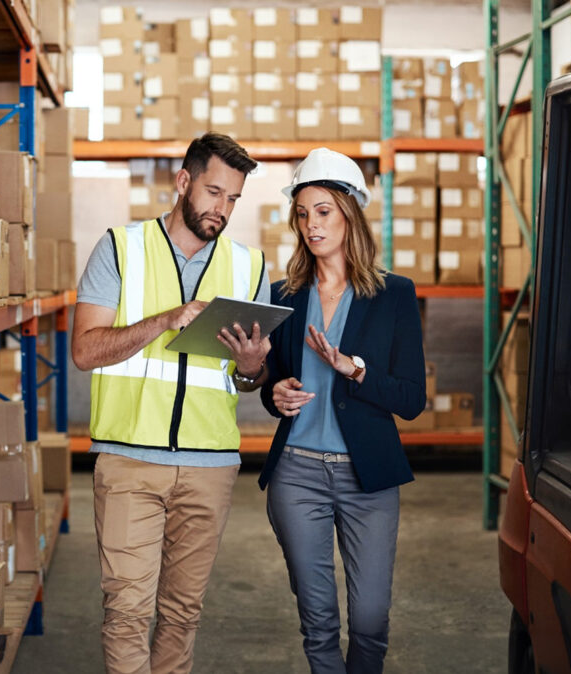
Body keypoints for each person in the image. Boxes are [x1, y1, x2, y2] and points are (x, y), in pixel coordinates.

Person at [71, 133, 272, 674]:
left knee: (182, 614)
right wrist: (162, 320)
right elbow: (85, 351)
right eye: (213, 192)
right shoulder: (119, 247)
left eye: (233, 198)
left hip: (210, 466)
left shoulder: (249, 266)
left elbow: (248, 380)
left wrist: (253, 366)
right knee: (128, 612)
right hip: (129, 461)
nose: (221, 209)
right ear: (182, 182)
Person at [252, 147, 426, 673]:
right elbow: (271, 383)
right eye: (302, 214)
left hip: (366, 478)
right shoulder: (284, 296)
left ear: (350, 212)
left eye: (323, 211)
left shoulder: (394, 295)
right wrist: (274, 394)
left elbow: (412, 400)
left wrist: (355, 370)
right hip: (297, 473)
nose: (311, 225)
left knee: (370, 618)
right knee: (319, 618)